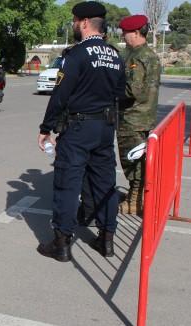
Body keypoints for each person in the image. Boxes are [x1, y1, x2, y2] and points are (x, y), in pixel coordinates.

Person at [36, 1, 126, 262]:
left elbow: (60, 95)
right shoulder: (114, 55)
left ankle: (61, 244)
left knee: (67, 183)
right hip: (105, 127)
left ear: (84, 22)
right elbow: (120, 94)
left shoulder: (76, 55)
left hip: (79, 128)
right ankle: (107, 240)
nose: (74, 25)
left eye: (75, 21)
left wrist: (46, 128)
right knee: (105, 184)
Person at [116, 15, 161, 214]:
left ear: (135, 33)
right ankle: (136, 197)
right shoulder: (145, 54)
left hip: (132, 118)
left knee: (132, 162)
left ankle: (135, 202)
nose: (123, 36)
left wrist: (107, 91)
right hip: (142, 117)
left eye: (125, 33)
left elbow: (132, 90)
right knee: (137, 161)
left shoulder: (139, 57)